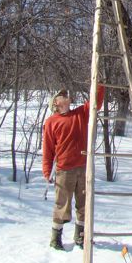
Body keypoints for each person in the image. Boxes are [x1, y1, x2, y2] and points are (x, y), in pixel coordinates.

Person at [43, 84, 105, 251]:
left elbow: (95, 104)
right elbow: (48, 149)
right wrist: (47, 170)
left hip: (84, 168)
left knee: (84, 204)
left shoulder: (80, 113)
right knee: (62, 204)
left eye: (65, 94)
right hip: (64, 170)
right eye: (61, 95)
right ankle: (56, 237)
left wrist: (99, 85)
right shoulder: (51, 122)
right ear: (56, 103)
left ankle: (80, 235)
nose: (66, 95)